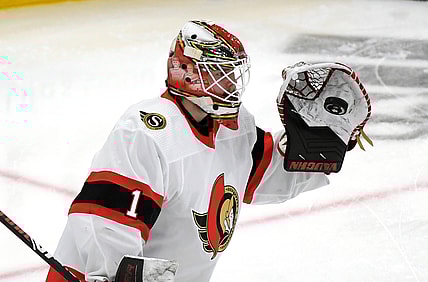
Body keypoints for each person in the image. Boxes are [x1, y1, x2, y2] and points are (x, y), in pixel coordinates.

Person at [46, 20, 371, 282]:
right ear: (187, 73)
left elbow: (267, 175)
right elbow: (108, 221)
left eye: (232, 74)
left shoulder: (235, 127)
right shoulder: (145, 132)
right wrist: (111, 275)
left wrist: (323, 142)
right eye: (219, 73)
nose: (231, 84)